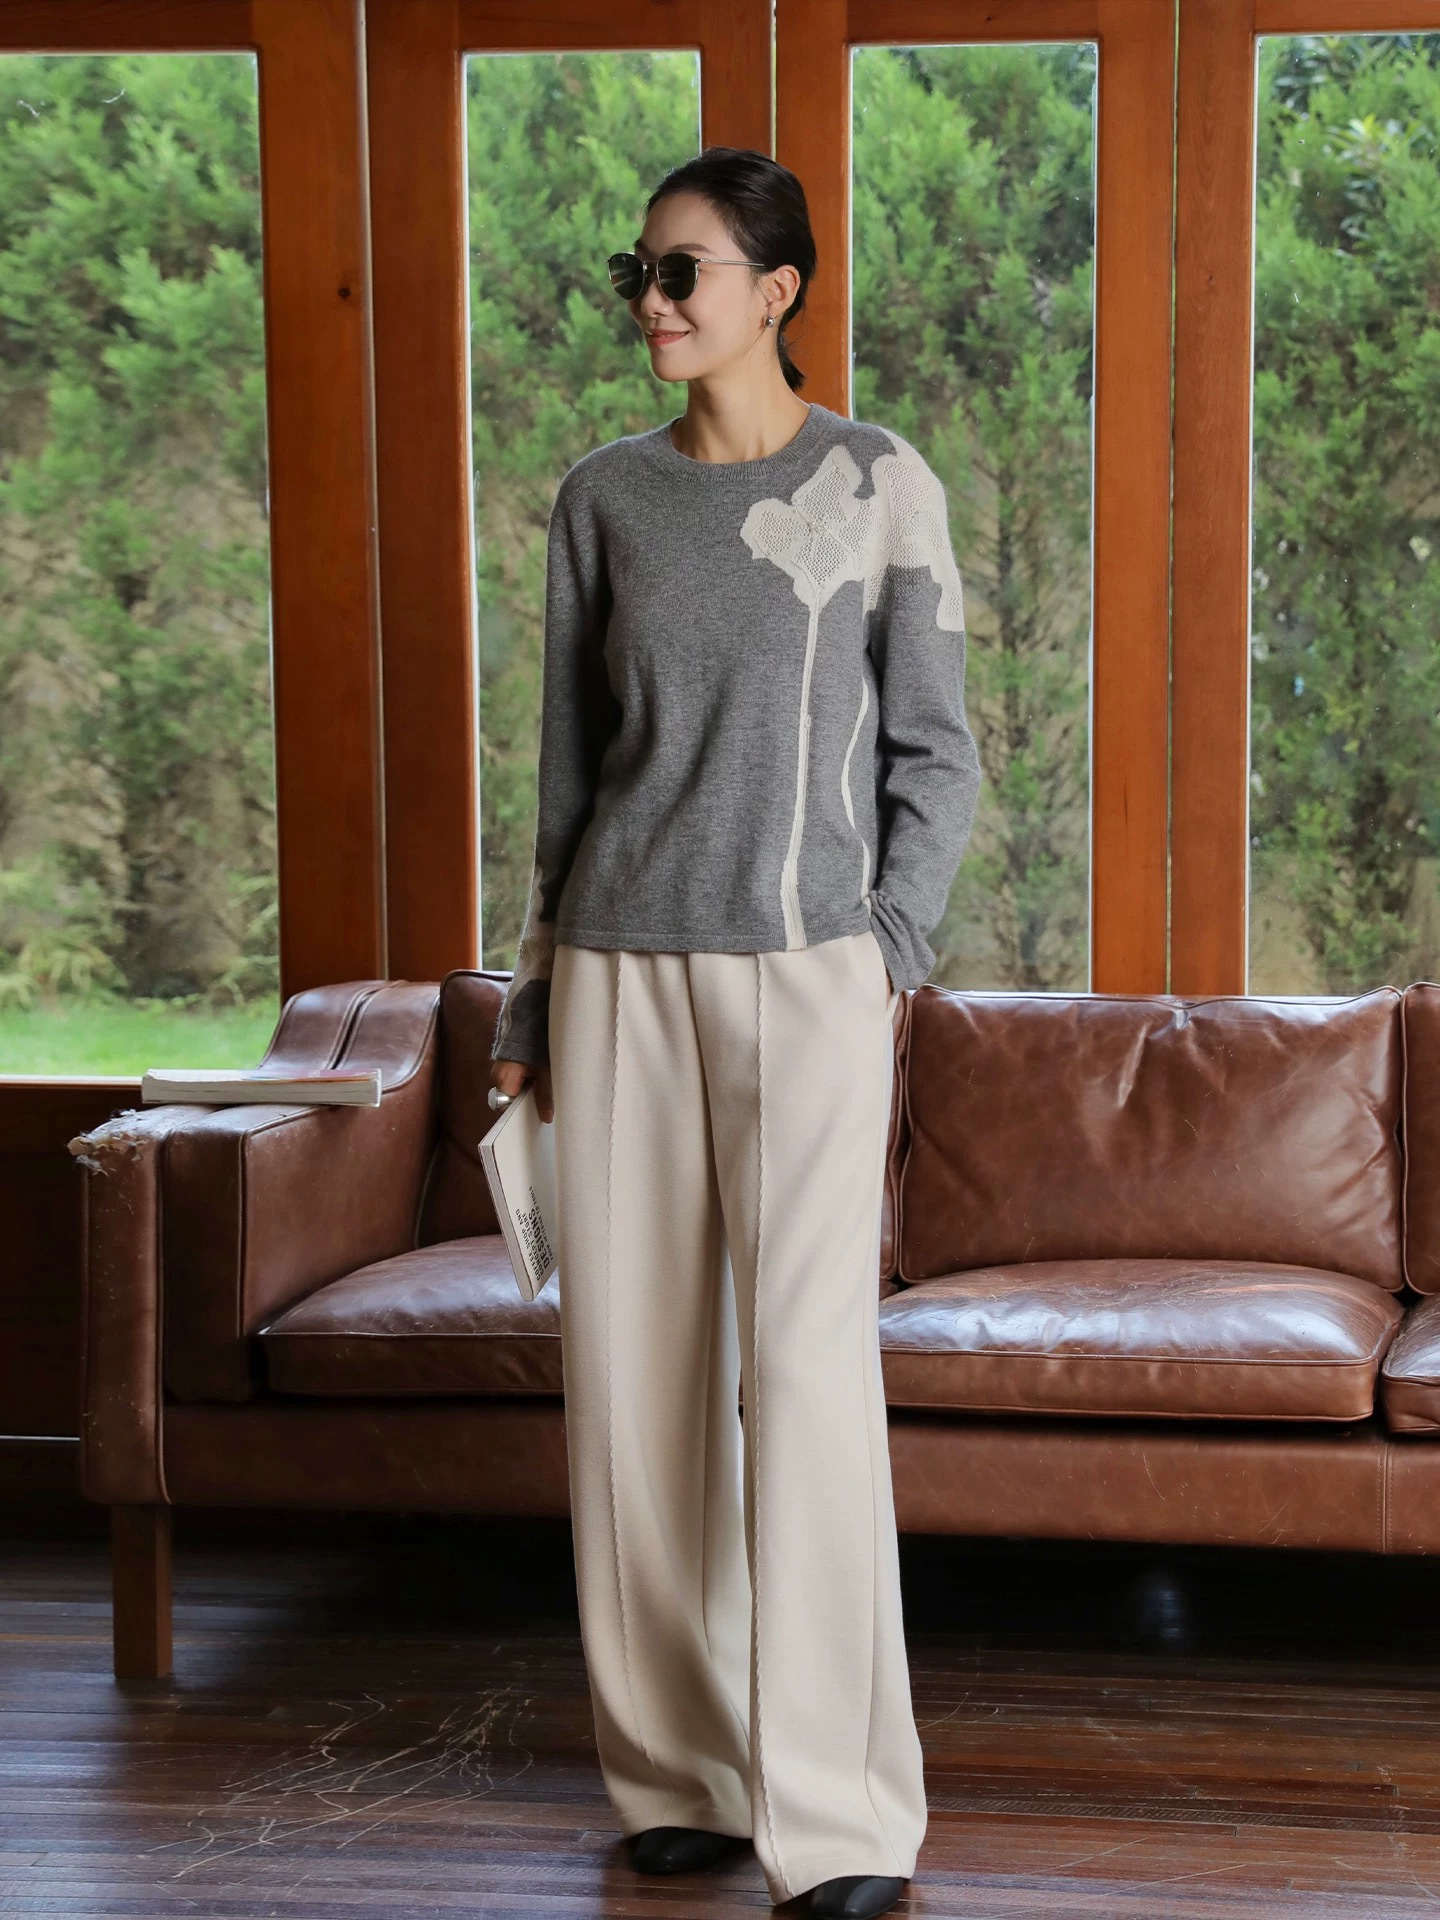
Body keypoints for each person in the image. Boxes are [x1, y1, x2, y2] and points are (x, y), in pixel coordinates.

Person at [487, 145, 981, 1919]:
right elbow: (566, 787)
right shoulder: (602, 499)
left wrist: (886, 951)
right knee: (635, 1386)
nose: (654, 300)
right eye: (640, 270)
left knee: (810, 1382)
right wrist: (531, 1003)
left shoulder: (878, 480)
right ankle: (679, 1770)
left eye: (685, 271)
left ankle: (839, 1816)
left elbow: (937, 749)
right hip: (618, 970)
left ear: (777, 291)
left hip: (807, 978)